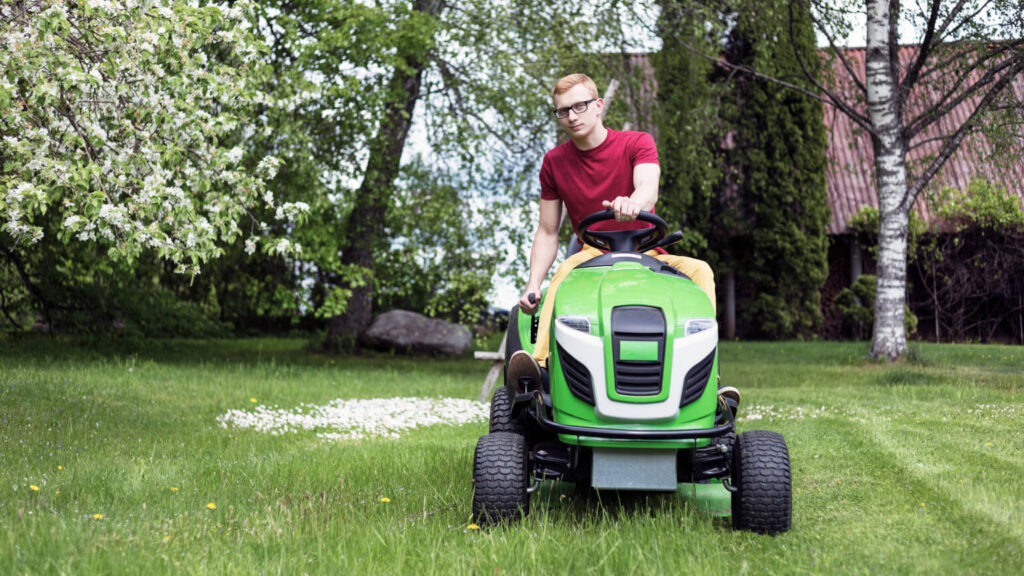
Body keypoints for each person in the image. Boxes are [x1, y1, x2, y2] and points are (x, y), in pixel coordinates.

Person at [507, 73, 739, 413]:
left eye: (579, 106)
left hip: (649, 255)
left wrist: (635, 202)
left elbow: (648, 187)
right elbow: (547, 231)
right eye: (562, 111)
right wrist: (532, 285)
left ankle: (704, 376)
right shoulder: (554, 162)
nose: (571, 116)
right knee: (566, 271)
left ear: (598, 106)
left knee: (700, 270)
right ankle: (541, 367)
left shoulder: (636, 142)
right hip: (592, 257)